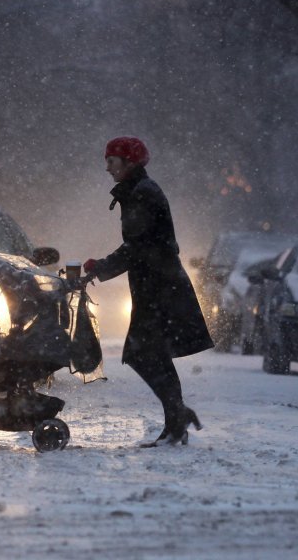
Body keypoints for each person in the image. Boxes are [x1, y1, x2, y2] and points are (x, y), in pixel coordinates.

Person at [83, 136, 213, 446]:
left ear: (129, 162)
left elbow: (137, 247)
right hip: (157, 285)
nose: (107, 168)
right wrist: (102, 267)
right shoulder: (138, 191)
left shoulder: (142, 194)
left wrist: (100, 267)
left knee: (144, 354)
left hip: (160, 287)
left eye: (111, 161)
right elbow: (138, 247)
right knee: (152, 354)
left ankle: (176, 416)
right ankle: (175, 420)